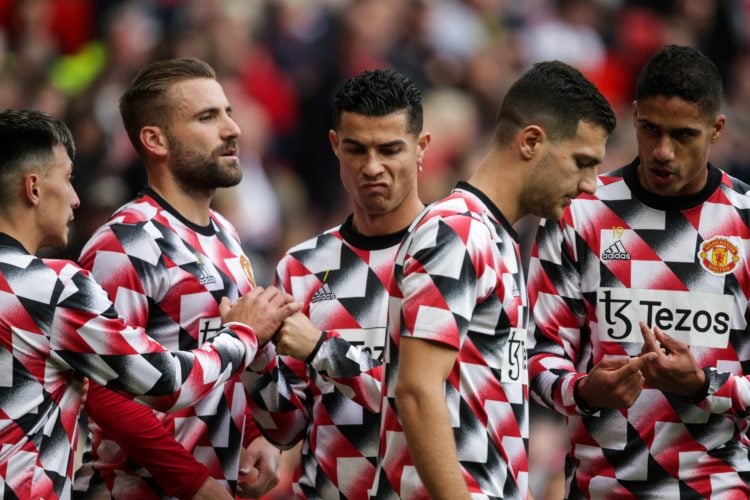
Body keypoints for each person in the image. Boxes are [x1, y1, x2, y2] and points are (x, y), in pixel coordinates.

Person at [0, 109, 294, 500]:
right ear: (33, 188)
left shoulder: (224, 231)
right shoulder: (51, 288)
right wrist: (242, 334)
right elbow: (165, 383)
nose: (75, 199)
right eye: (68, 179)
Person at [371, 60, 617, 499]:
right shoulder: (458, 231)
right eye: (582, 162)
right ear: (531, 142)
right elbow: (416, 389)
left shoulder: (493, 235)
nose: (591, 185)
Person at [528, 44, 750, 498]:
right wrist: (585, 391)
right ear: (633, 116)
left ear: (716, 130)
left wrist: (703, 385)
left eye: (684, 135)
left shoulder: (745, 222)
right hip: (603, 487)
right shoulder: (579, 214)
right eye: (651, 129)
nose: (663, 151)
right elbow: (534, 358)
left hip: (719, 487)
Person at [72, 58, 286, 499]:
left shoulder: (225, 233)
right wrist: (192, 483)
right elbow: (104, 390)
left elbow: (219, 353)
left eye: (227, 112)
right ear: (155, 139)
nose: (233, 129)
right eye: (207, 117)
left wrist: (252, 438)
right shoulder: (126, 242)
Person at [246, 69, 430, 499]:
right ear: (334, 146)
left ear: (422, 147)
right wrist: (251, 352)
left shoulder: (456, 253)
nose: (372, 167)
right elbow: (287, 428)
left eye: (390, 150)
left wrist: (322, 349)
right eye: (356, 149)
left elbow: (442, 403)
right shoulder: (301, 267)